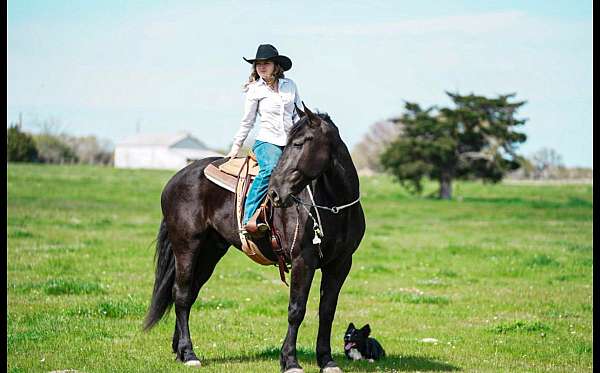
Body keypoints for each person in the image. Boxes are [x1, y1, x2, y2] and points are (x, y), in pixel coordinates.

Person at [226, 44, 303, 234]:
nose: (261, 67)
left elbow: (298, 114)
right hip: (267, 141)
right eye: (258, 64)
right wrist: (236, 147)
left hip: (290, 141)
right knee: (270, 170)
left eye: (266, 63)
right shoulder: (255, 90)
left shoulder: (290, 86)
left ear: (276, 66)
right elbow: (248, 121)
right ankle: (248, 218)